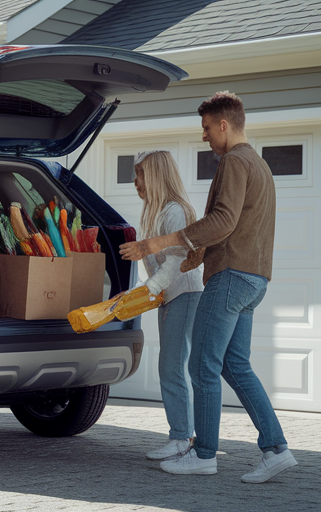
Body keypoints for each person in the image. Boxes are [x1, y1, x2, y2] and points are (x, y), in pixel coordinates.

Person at [119, 91, 297, 484]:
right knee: (235, 365)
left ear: (224, 124)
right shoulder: (259, 164)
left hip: (231, 277)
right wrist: (197, 254)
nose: (204, 136)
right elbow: (237, 226)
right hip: (255, 278)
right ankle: (276, 449)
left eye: (206, 128)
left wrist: (157, 243)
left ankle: (203, 455)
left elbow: (222, 220)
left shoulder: (234, 161)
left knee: (202, 365)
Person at [131, 150, 205, 463]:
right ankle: (183, 435)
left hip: (184, 294)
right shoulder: (157, 212)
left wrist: (149, 288)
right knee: (171, 365)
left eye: (141, 174)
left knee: (171, 366)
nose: (136, 181)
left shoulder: (175, 212)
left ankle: (181, 439)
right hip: (170, 296)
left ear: (157, 176)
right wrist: (143, 290)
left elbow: (176, 260)